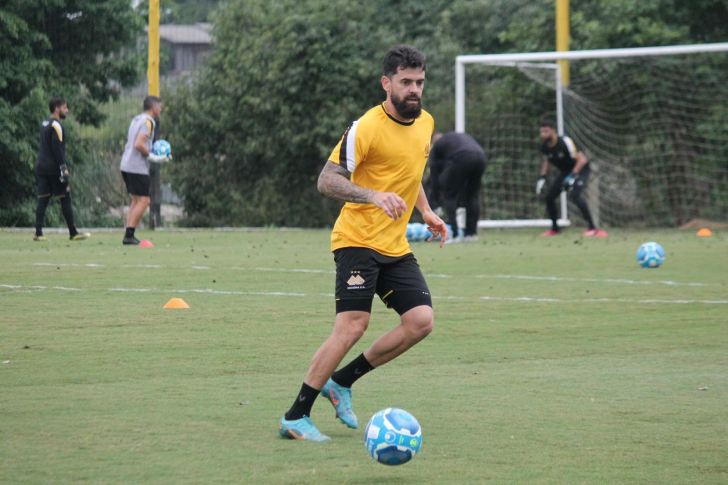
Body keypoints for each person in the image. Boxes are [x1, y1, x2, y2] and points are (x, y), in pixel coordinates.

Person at [278, 45, 449, 442]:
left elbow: (409, 172)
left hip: (394, 244)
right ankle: (295, 415)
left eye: (419, 82)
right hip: (356, 241)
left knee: (420, 321)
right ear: (386, 83)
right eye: (406, 82)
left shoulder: (424, 123)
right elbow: (326, 180)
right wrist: (373, 196)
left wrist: (426, 211)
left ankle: (342, 382)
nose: (414, 90)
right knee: (353, 325)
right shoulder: (366, 127)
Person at [536, 120, 608, 237]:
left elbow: (582, 160)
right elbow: (548, 160)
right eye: (541, 132)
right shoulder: (544, 146)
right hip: (565, 172)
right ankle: (555, 229)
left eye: (546, 131)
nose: (543, 134)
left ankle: (593, 229)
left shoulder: (565, 142)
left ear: (553, 131)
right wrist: (542, 176)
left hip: (581, 170)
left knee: (574, 195)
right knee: (549, 197)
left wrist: (572, 176)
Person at [33, 98, 90, 242]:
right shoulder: (57, 126)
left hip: (41, 166)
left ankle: (38, 233)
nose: (67, 110)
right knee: (65, 197)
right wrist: (63, 167)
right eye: (65, 108)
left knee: (43, 199)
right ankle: (73, 232)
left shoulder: (44, 123)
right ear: (57, 109)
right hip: (53, 168)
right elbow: (56, 148)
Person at [119, 96, 169, 245]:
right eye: (160, 107)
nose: (161, 109)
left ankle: (128, 233)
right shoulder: (148, 122)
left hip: (126, 164)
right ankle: (129, 235)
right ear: (154, 107)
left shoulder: (137, 119)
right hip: (136, 167)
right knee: (145, 200)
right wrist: (153, 157)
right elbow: (139, 144)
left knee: (136, 200)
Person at [427, 132, 487, 243]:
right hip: (481, 156)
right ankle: (471, 234)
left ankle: (454, 235)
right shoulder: (453, 140)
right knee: (472, 195)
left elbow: (434, 177)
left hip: (462, 156)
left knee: (449, 195)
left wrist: (435, 202)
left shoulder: (435, 149)